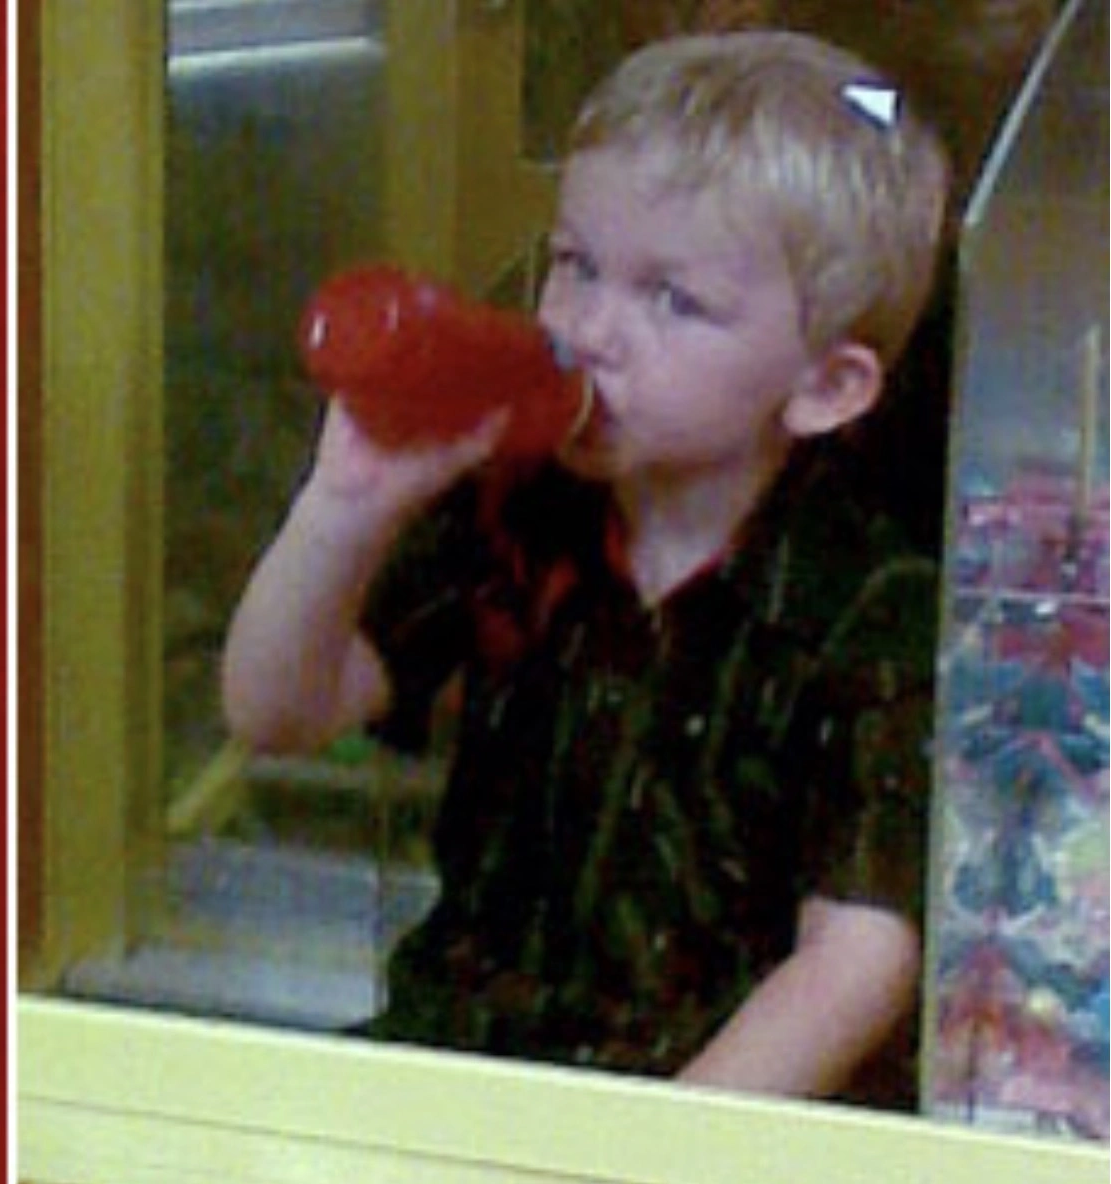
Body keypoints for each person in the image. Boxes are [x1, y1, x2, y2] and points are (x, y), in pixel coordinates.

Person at [221, 30, 951, 1105]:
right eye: (575, 264)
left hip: (707, 1113)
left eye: (671, 299)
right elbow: (272, 713)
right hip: (467, 1048)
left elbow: (852, 965)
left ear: (823, 390)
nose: (586, 330)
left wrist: (634, 1172)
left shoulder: (868, 604)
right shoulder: (514, 508)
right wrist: (343, 507)